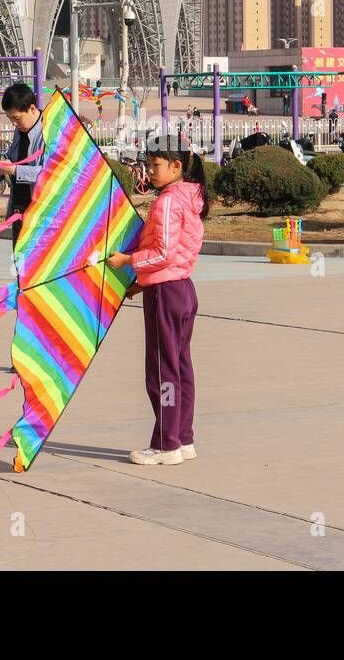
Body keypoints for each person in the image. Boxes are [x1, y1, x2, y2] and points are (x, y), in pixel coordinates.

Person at [106, 141, 208, 466]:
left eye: (155, 166)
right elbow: (175, 254)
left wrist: (128, 260)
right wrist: (140, 284)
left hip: (166, 294)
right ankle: (183, 439)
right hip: (182, 288)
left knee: (162, 372)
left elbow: (162, 252)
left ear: (175, 167)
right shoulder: (189, 198)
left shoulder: (166, 203)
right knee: (180, 368)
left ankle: (165, 444)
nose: (149, 172)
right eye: (148, 165)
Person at [0, 84, 45, 242]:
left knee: (39, 264)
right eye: (9, 118)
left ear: (32, 108)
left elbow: (51, 173)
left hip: (42, 216)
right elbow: (12, 155)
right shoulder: (20, 130)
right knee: (19, 263)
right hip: (18, 209)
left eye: (17, 118)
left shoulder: (51, 131)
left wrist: (15, 170)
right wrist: (4, 162)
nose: (14, 124)